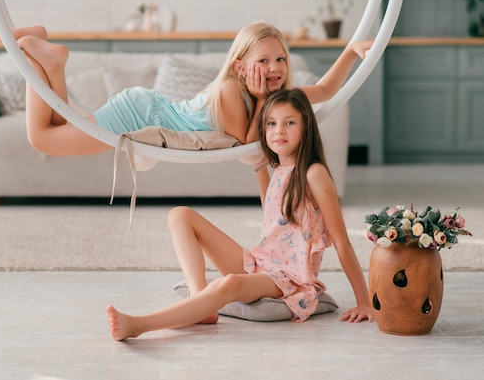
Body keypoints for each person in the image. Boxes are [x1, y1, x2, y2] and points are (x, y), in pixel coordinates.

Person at [106, 88, 373, 341]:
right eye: (271, 123)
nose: (279, 130)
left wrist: (364, 302)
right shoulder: (279, 170)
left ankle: (139, 325)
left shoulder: (314, 174)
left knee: (229, 284)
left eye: (289, 123)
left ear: (306, 127)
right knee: (180, 215)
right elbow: (272, 214)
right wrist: (257, 156)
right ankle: (201, 304)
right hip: (259, 263)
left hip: (289, 279)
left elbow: (342, 242)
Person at [0, 22, 371, 156]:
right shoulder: (230, 92)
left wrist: (353, 51)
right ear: (240, 67)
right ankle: (41, 57)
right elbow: (254, 140)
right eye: (263, 61)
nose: (273, 69)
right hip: (138, 117)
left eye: (280, 60)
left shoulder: (276, 97)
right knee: (41, 138)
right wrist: (262, 99)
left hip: (142, 107)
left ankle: (50, 60)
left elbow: (323, 88)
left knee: (53, 123)